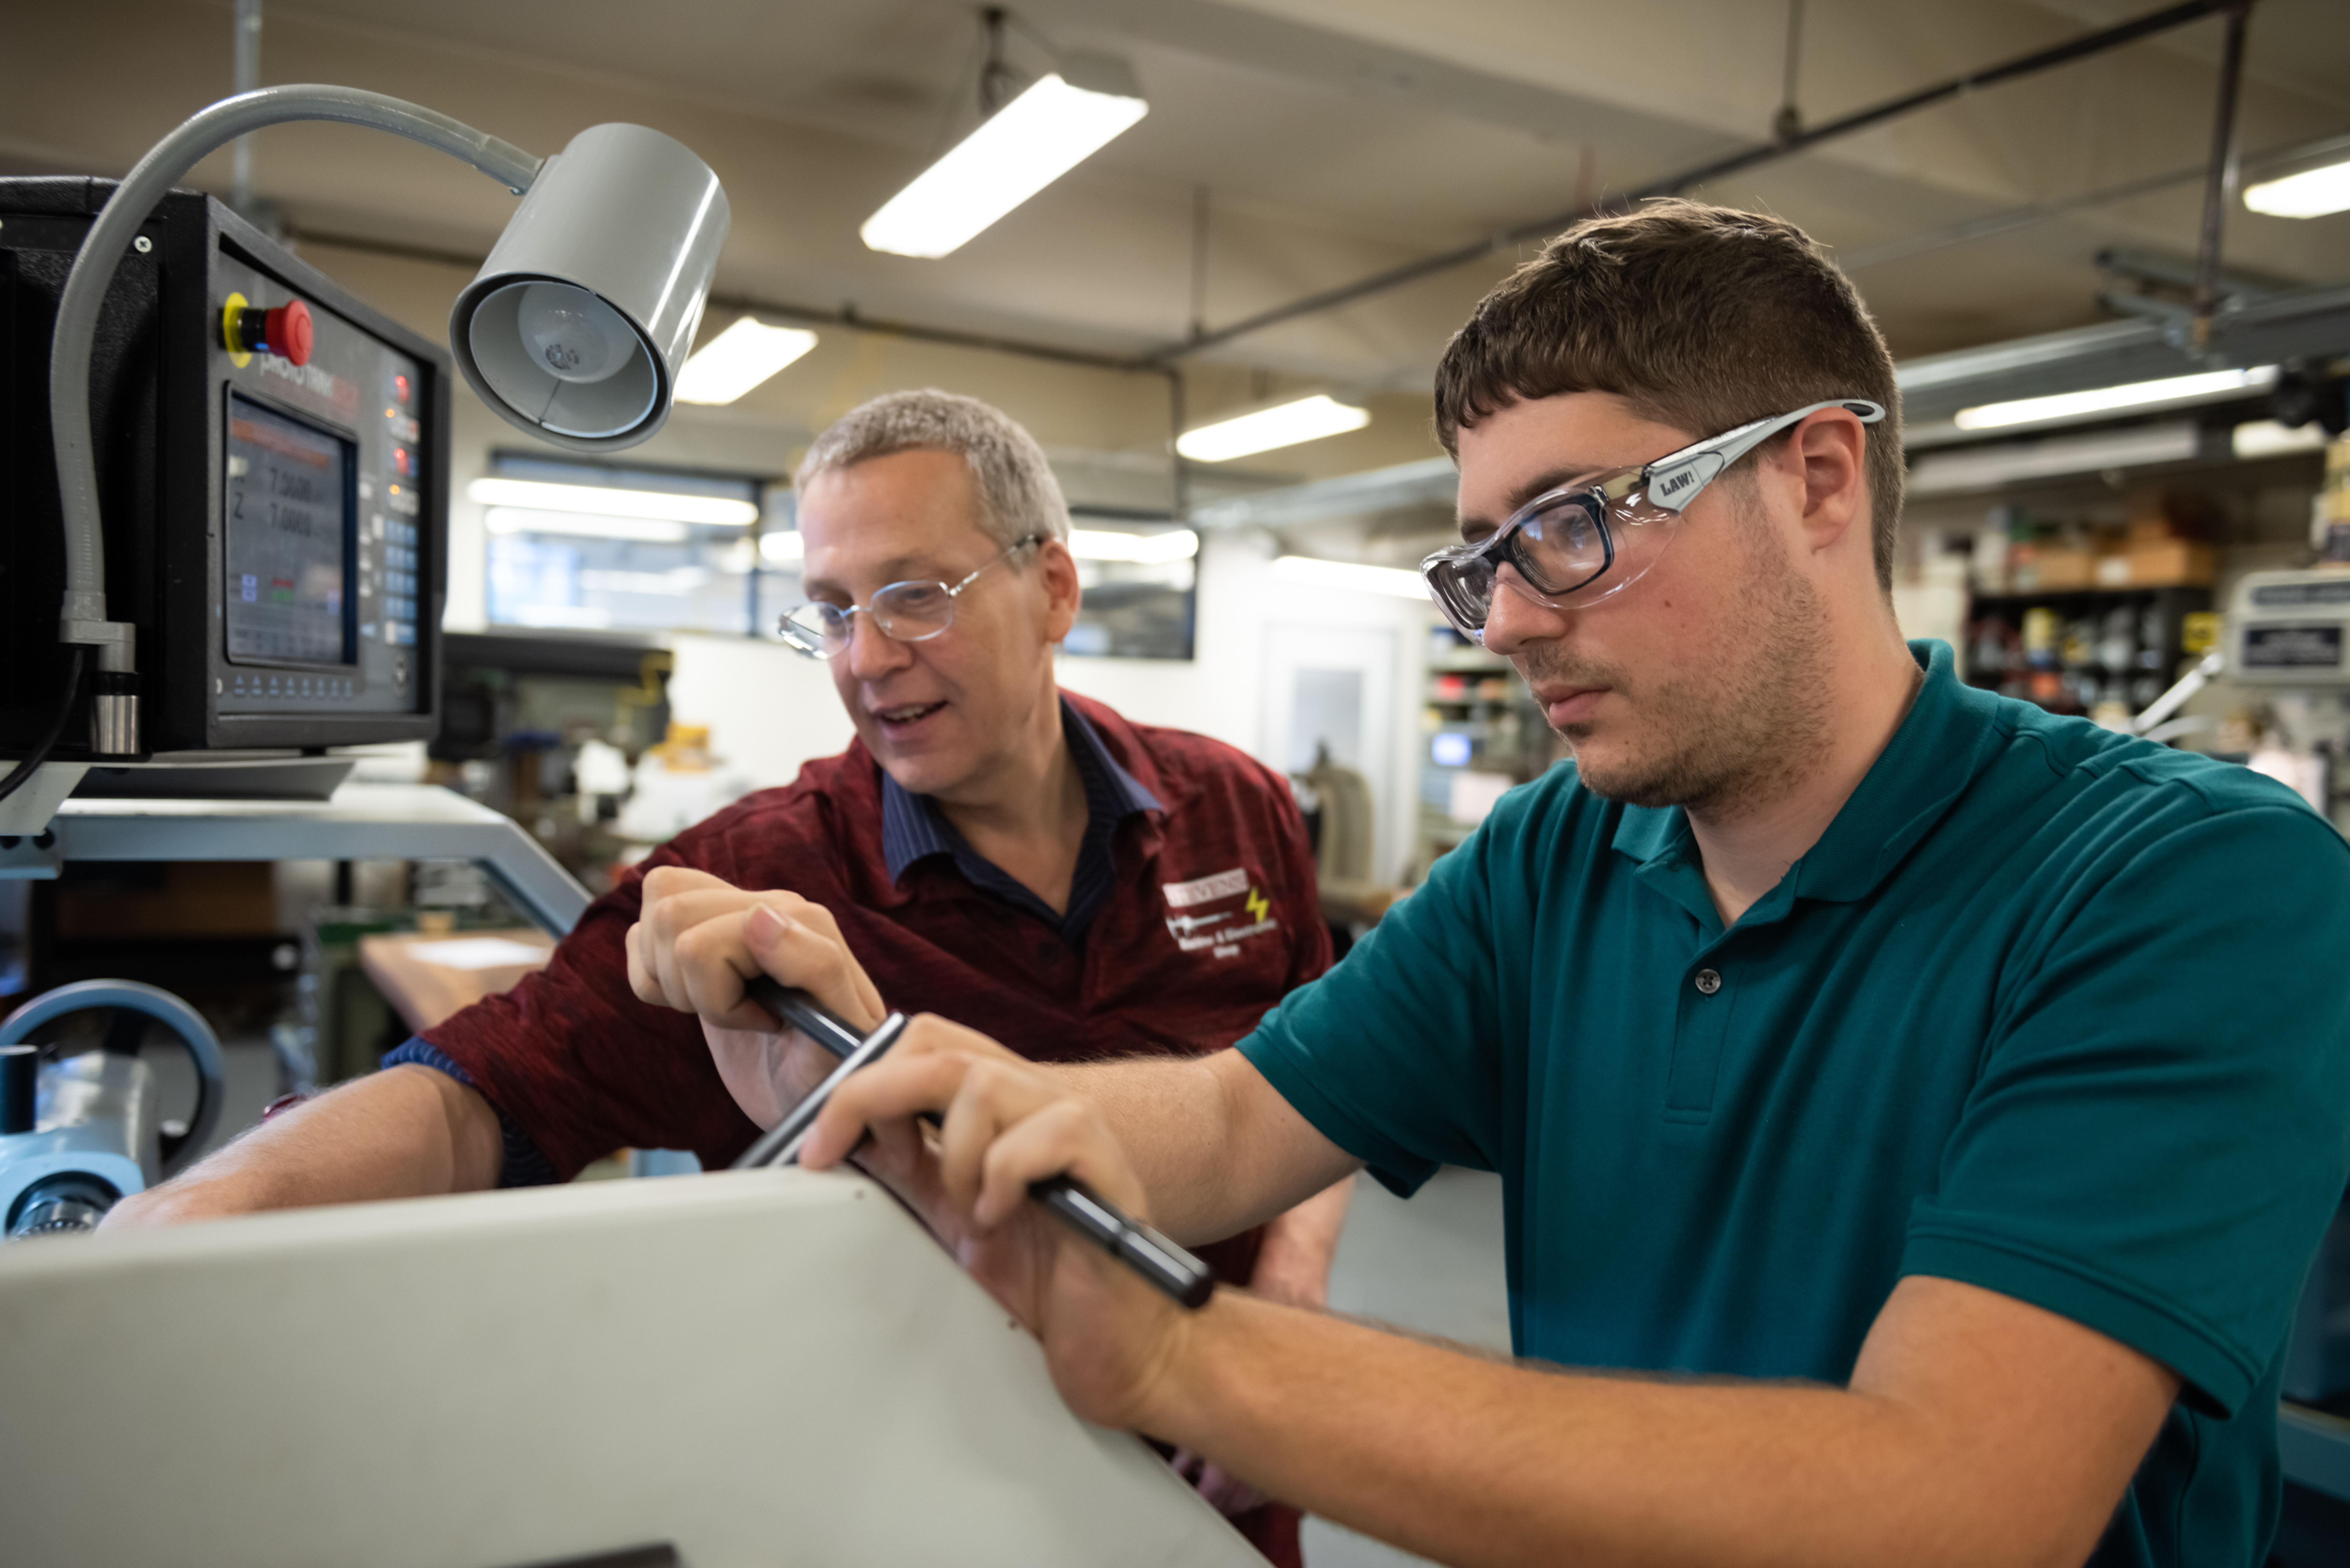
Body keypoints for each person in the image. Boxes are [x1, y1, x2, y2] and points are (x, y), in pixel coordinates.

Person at [632, 203, 2350, 1568]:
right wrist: (912, 1081)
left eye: (1575, 525)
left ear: (1818, 478)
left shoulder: (2187, 886)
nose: (1513, 618)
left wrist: (1179, 1355)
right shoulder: (1563, 853)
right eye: (1483, 560)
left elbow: (1951, 1507)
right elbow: (1232, 1123)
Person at [108, 389, 1346, 1565]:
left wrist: (1287, 1292)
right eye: (830, 609)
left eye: (914, 595)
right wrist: (195, 1224)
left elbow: (1315, 1077)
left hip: (1221, 1476)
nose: (865, 656)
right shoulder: (759, 886)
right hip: (911, 1507)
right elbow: (478, 1090)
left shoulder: (1230, 807)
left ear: (1053, 586)